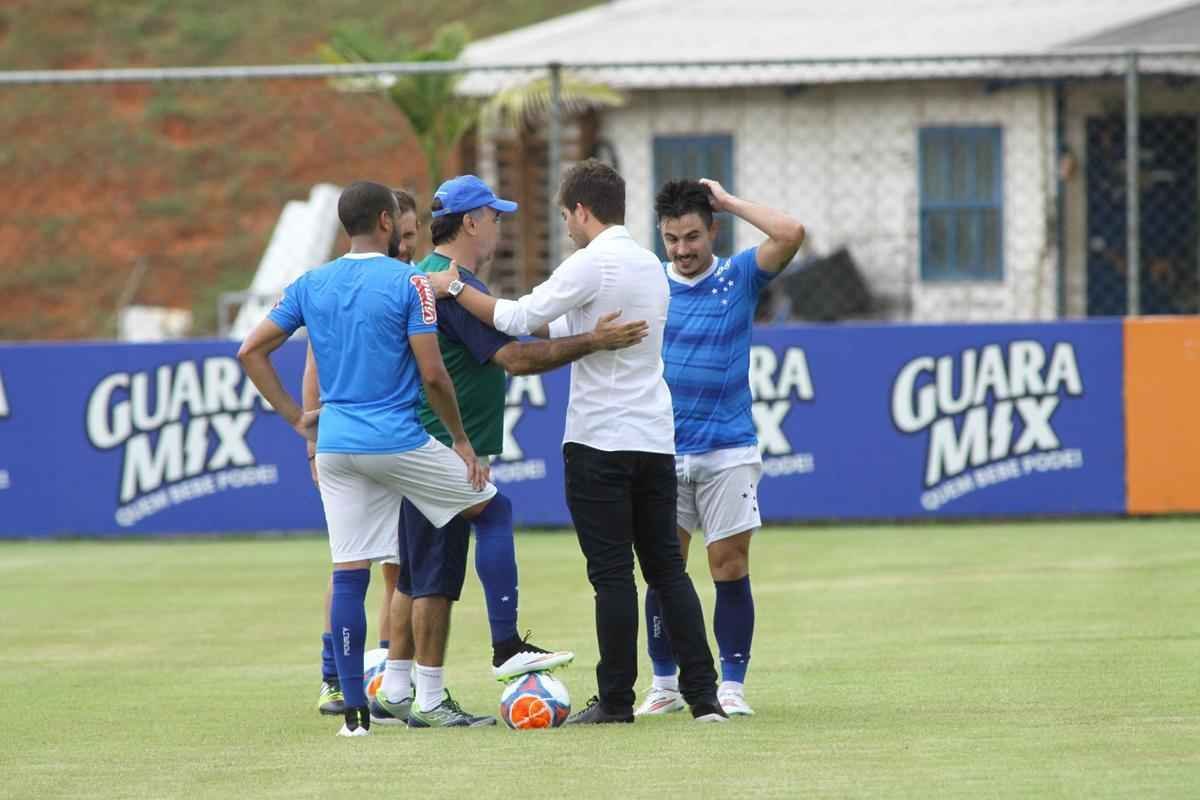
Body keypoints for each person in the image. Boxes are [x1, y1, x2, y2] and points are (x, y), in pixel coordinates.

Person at [427, 160, 727, 724]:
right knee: (667, 569)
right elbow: (563, 328)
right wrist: (583, 334)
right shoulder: (650, 264)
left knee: (612, 575)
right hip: (654, 437)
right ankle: (705, 697)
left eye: (566, 214)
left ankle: (616, 701)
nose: (565, 225)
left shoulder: (591, 262)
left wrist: (455, 287)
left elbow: (518, 318)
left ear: (583, 211)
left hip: (599, 440)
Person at [369, 174, 655, 726]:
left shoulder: (436, 278)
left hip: (422, 438)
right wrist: (594, 341)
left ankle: (398, 688)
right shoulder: (448, 286)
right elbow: (516, 359)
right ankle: (487, 659)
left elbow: (521, 326)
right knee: (468, 540)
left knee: (416, 573)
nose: (500, 225)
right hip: (441, 445)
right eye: (494, 216)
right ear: (471, 222)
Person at [239, 180, 499, 735]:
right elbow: (433, 373)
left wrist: (296, 419)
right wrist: (460, 440)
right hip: (395, 440)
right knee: (491, 508)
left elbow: (251, 350)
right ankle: (497, 652)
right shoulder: (410, 282)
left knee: (349, 573)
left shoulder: (310, 283)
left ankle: (355, 713)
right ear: (386, 221)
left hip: (335, 446)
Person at [636, 178, 805, 717]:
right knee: (663, 569)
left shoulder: (739, 276)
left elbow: (791, 232)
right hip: (661, 451)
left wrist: (729, 201)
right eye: (671, 239)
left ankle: (731, 685)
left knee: (728, 566)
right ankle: (664, 684)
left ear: (713, 230)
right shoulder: (649, 283)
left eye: (692, 236)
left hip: (728, 449)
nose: (682, 250)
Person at [312, 189, 419, 717]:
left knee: (396, 570)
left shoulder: (410, 281)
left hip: (388, 440)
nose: (409, 243)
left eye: (415, 235)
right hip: (380, 441)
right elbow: (314, 365)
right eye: (404, 232)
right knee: (353, 565)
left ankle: (382, 679)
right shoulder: (353, 287)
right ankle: (337, 678)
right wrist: (309, 440)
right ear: (385, 224)